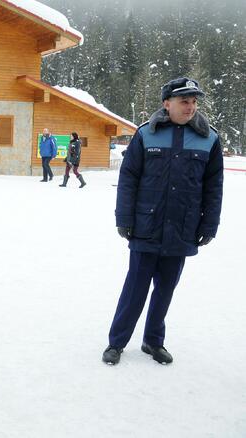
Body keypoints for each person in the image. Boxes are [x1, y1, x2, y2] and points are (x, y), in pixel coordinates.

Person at [102, 77, 223, 365]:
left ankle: (153, 341)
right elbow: (129, 178)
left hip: (183, 228)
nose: (190, 107)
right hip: (146, 226)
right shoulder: (146, 134)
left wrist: (209, 225)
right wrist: (124, 217)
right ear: (166, 104)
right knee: (135, 288)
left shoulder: (209, 139)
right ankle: (117, 343)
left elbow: (213, 186)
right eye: (184, 101)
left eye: (194, 102)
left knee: (165, 289)